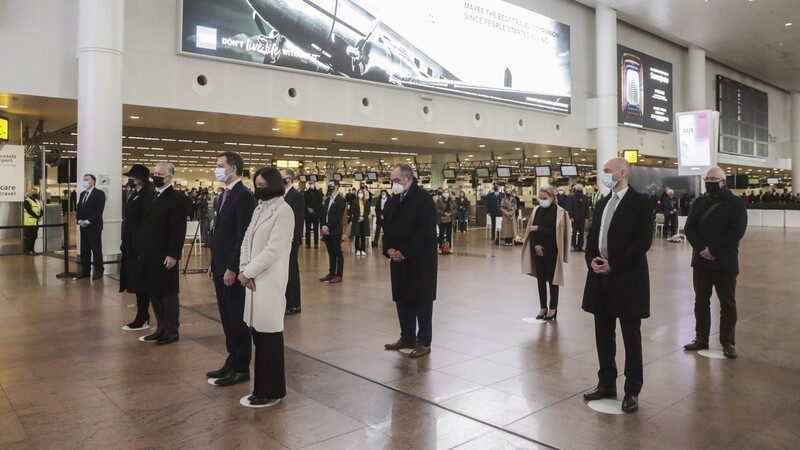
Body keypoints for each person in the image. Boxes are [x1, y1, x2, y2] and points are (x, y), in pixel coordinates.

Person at [582, 157, 653, 413]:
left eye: (608, 171)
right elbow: (592, 237)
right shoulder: (602, 203)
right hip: (600, 277)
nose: (604, 174)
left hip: (628, 279)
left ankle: (632, 390)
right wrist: (592, 260)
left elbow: (642, 242)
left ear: (622, 172)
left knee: (630, 337)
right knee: (603, 334)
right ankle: (606, 383)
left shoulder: (641, 204)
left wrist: (614, 264)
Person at [237, 167, 294, 407]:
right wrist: (243, 269)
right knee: (258, 335)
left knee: (269, 337)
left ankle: (272, 391)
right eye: (256, 184)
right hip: (253, 280)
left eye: (263, 184)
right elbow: (247, 241)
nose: (259, 188)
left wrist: (248, 272)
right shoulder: (260, 208)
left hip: (269, 281)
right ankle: (260, 388)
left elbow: (274, 249)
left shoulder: (284, 211)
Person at [683, 167, 748, 359]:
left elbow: (736, 231)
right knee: (700, 302)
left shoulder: (735, 203)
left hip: (725, 261)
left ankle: (727, 342)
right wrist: (702, 248)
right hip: (701, 260)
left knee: (727, 303)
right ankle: (701, 338)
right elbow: (690, 227)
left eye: (714, 179)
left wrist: (713, 250)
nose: (710, 181)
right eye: (707, 178)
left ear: (723, 181)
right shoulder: (699, 202)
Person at [206, 152, 256, 385]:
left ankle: (242, 365)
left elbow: (242, 236)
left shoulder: (244, 196)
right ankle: (231, 358)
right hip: (220, 265)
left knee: (237, 317)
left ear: (233, 168)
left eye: (220, 166)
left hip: (231, 268)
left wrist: (233, 267)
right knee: (226, 317)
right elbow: (221, 234)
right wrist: (213, 264)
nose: (216, 169)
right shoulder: (224, 195)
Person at [383, 163, 438, 358]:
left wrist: (404, 252)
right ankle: (407, 337)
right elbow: (387, 225)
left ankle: (424, 341)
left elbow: (424, 233)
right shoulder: (394, 199)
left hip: (419, 261)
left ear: (408, 178)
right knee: (402, 300)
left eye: (396, 180)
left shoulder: (423, 199)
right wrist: (388, 248)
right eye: (392, 180)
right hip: (398, 261)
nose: (393, 184)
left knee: (421, 301)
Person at [138, 162, 187, 346]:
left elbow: (178, 229)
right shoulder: (152, 195)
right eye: (155, 173)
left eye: (160, 174)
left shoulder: (176, 198)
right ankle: (160, 327)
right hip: (150, 252)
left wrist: (173, 254)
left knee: (168, 292)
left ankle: (171, 330)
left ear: (169, 177)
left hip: (165, 253)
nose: (155, 176)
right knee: (154, 290)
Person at [522, 186, 571, 320]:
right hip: (538, 250)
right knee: (541, 280)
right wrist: (535, 245)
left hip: (553, 250)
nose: (542, 200)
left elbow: (556, 232)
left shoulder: (559, 212)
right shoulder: (536, 210)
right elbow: (531, 231)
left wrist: (538, 228)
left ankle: (553, 308)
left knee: (553, 280)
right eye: (540, 198)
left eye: (545, 198)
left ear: (552, 198)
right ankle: (543, 307)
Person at [119, 165, 153, 330]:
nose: (130, 179)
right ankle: (142, 313)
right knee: (136, 279)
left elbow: (146, 219)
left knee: (141, 280)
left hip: (140, 243)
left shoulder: (147, 194)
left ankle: (143, 314)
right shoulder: (136, 194)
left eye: (133, 176)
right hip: (131, 241)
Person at [280, 168, 305, 315]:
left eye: (281, 177)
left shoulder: (296, 195)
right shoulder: (281, 194)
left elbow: (298, 219)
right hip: (281, 239)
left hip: (291, 239)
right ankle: (285, 301)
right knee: (284, 272)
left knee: (291, 271)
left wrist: (294, 239)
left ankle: (294, 304)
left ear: (288, 179)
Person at [76, 174, 106, 279]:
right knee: (85, 250)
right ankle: (85, 271)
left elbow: (99, 210)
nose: (84, 181)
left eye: (86, 180)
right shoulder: (82, 194)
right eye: (84, 179)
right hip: (83, 227)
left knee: (96, 249)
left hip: (94, 226)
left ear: (93, 181)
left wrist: (88, 221)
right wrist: (79, 220)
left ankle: (99, 271)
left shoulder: (99, 193)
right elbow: (79, 208)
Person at [320, 179, 346, 283]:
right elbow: (324, 214)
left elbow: (338, 217)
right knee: (330, 252)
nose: (329, 187)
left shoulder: (341, 200)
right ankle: (331, 273)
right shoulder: (327, 199)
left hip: (335, 230)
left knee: (337, 252)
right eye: (328, 185)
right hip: (326, 230)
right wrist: (323, 226)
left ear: (336, 186)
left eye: (331, 185)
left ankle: (339, 274)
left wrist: (328, 227)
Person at [349, 187, 371, 255]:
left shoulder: (366, 201)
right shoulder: (354, 201)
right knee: (357, 235)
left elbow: (368, 211)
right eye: (359, 193)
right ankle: (357, 249)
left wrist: (363, 217)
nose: (360, 194)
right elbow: (352, 210)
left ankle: (363, 249)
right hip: (357, 220)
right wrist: (358, 216)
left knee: (363, 235)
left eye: (361, 193)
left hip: (364, 220)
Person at [568, 184, 590, 251]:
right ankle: (574, 245)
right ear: (576, 189)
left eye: (581, 188)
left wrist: (587, 217)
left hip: (582, 218)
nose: (580, 189)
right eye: (578, 188)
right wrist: (571, 216)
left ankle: (580, 246)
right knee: (574, 232)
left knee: (581, 232)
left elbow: (587, 208)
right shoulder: (572, 197)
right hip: (574, 218)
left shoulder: (585, 198)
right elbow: (570, 208)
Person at [303, 180, 323, 248]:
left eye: (312, 183)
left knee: (316, 229)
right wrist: (308, 208)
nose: (311, 184)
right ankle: (307, 243)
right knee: (307, 229)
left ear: (315, 184)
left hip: (316, 213)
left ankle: (316, 243)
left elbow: (320, 203)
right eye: (310, 183)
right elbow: (304, 202)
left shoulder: (319, 193)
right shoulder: (305, 193)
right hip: (307, 213)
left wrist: (314, 209)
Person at [23, 187, 43, 256]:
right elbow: (29, 211)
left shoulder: (37, 201)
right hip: (28, 223)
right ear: (31, 193)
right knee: (29, 237)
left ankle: (32, 250)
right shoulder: (27, 201)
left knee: (34, 236)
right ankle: (28, 250)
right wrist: (37, 216)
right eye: (35, 193)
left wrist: (40, 215)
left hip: (36, 222)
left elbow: (41, 210)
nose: (36, 194)